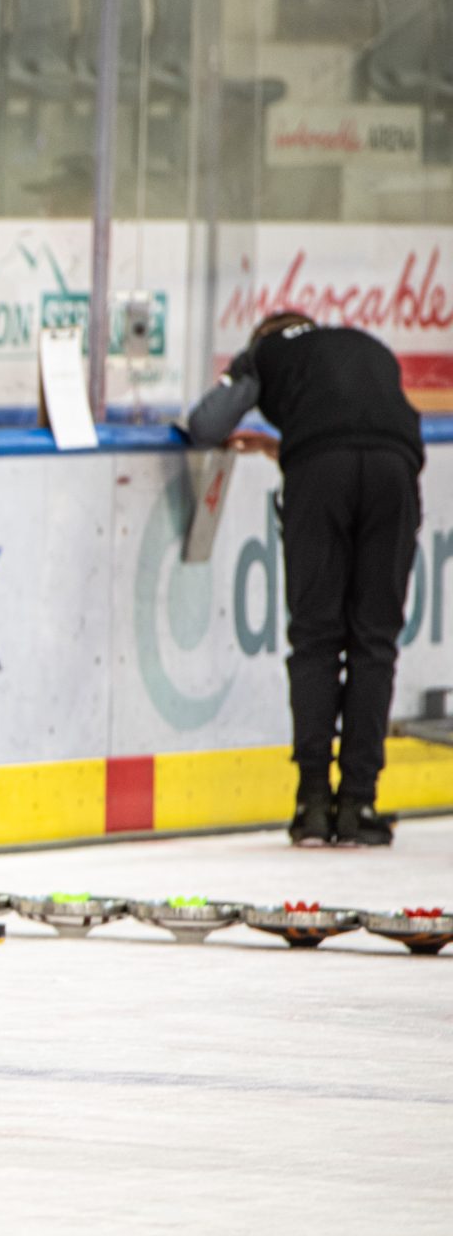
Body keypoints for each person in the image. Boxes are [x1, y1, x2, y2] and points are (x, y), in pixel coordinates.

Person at [183, 313, 426, 847]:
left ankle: (312, 801)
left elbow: (206, 424)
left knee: (316, 636)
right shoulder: (368, 345)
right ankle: (359, 802)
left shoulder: (266, 353)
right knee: (374, 640)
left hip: (320, 471)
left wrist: (290, 442)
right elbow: (360, 424)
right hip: (395, 468)